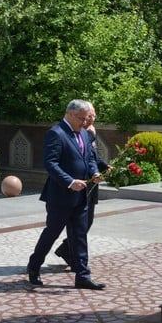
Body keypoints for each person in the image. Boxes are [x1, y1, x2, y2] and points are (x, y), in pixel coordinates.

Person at [26, 99, 106, 290]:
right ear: (70, 114)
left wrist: (94, 172)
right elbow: (51, 163)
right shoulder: (56, 133)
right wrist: (70, 181)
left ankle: (82, 276)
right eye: (81, 118)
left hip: (82, 195)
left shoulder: (85, 134)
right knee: (52, 233)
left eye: (87, 118)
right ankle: (34, 266)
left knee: (79, 235)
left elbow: (89, 159)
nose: (85, 122)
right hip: (60, 196)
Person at [54, 103, 109, 268]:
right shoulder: (74, 133)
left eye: (92, 116)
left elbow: (92, 157)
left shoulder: (88, 132)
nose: (91, 119)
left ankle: (71, 255)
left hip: (90, 182)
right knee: (64, 227)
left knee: (86, 222)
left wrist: (104, 166)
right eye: (88, 116)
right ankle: (68, 256)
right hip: (74, 185)